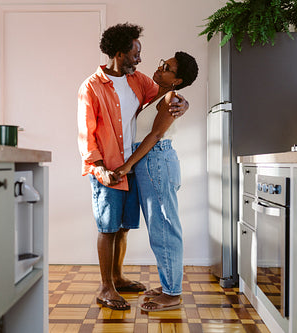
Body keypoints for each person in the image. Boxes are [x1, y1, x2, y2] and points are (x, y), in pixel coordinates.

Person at [77, 23, 189, 311]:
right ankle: (106, 287)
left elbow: (166, 98)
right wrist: (98, 166)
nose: (140, 59)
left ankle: (118, 276)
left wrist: (182, 102)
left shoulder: (139, 81)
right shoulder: (91, 86)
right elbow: (85, 132)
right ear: (119, 53)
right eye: (136, 53)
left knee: (124, 227)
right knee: (108, 227)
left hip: (135, 166)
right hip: (109, 166)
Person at [115, 51, 199, 311]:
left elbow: (154, 135)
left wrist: (127, 164)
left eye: (167, 68)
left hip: (156, 161)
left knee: (164, 227)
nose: (160, 68)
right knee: (159, 227)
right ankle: (167, 284)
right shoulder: (158, 95)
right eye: (163, 63)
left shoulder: (171, 97)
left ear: (177, 80)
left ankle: (173, 293)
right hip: (152, 163)